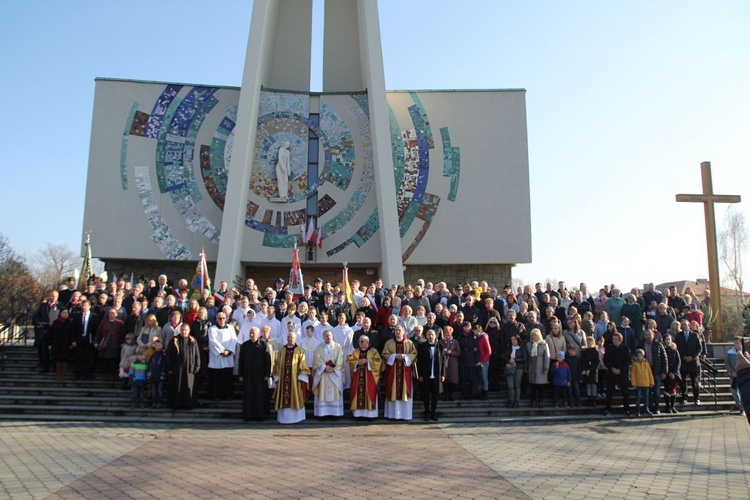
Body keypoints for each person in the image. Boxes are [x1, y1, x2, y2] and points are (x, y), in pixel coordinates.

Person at [273, 331, 311, 424]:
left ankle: (296, 418)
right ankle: (283, 418)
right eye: (289, 337)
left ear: (295, 339)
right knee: (283, 396)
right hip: (283, 380)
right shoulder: (282, 351)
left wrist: (301, 378)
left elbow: (303, 365)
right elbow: (277, 364)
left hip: (295, 381)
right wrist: (277, 377)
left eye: (292, 337)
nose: (290, 339)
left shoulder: (299, 351)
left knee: (295, 397)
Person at [382, 325, 418, 420]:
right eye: (396, 330)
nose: (398, 332)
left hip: (405, 372)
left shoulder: (409, 343)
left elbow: (414, 353)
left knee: (404, 391)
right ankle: (392, 415)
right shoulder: (389, 343)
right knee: (392, 390)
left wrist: (405, 357)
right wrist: (394, 356)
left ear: (403, 331)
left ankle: (405, 415)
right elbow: (384, 354)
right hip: (392, 372)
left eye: (399, 330)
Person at [238, 327, 272, 420]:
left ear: (258, 334)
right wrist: (240, 374)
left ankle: (260, 415)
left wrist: (267, 374)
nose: (251, 334)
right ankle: (248, 415)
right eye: (250, 333)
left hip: (260, 376)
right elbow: (241, 360)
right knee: (248, 395)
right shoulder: (245, 345)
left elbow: (268, 361)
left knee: (260, 395)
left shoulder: (264, 345)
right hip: (248, 375)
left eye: (253, 333)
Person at [165, 323, 201, 409]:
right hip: (177, 368)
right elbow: (168, 355)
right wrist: (169, 367)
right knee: (177, 385)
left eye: (186, 330)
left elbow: (197, 355)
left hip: (190, 367)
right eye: (182, 330)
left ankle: (188, 404)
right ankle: (177, 404)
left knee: (189, 386)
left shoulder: (193, 341)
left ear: (189, 331)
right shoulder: (174, 340)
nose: (184, 332)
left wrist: (197, 366)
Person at [312, 330, 345, 418]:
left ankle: (335, 414)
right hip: (323, 374)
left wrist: (334, 369)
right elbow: (316, 359)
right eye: (326, 336)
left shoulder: (338, 347)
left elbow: (340, 359)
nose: (328, 337)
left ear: (332, 336)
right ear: (323, 337)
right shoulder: (319, 347)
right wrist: (324, 367)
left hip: (334, 374)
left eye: (330, 335)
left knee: (335, 393)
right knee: (322, 392)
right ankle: (322, 414)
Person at [349, 335, 382, 419]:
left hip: (370, 378)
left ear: (367, 342)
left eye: (362, 341)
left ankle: (370, 415)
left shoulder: (373, 351)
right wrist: (357, 362)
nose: (360, 343)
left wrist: (368, 361)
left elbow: (378, 362)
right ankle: (357, 414)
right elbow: (350, 361)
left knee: (370, 392)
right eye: (359, 342)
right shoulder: (356, 352)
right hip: (358, 378)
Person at [207, 312, 237, 400]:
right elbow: (213, 341)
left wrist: (229, 351)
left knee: (227, 378)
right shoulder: (212, 329)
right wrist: (222, 351)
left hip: (228, 356)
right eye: (220, 318)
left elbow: (234, 339)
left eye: (223, 318)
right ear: (216, 319)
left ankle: (228, 395)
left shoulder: (231, 328)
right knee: (217, 378)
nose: (222, 320)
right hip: (217, 357)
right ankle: (216, 395)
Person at [417, 329, 445, 421]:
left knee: (435, 396)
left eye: (432, 334)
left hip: (436, 375)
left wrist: (443, 374)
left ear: (435, 336)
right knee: (426, 395)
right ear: (426, 336)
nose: (431, 336)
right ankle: (427, 412)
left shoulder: (440, 346)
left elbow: (443, 362)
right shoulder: (422, 346)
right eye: (429, 335)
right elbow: (419, 362)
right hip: (426, 375)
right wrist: (420, 375)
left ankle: (433, 413)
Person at [675, 319, 702, 406]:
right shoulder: (678, 336)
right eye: (682, 325)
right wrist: (683, 357)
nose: (684, 326)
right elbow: (677, 348)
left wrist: (692, 357)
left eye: (685, 324)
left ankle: (696, 398)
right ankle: (684, 397)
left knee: (695, 381)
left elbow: (699, 348)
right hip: (683, 362)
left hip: (693, 362)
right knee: (683, 382)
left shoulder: (694, 335)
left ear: (689, 325)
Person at [604, 332, 631, 417]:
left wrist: (620, 369)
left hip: (622, 372)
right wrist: (612, 368)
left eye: (616, 339)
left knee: (625, 392)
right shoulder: (609, 348)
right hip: (612, 372)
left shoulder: (626, 349)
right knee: (609, 392)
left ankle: (627, 409)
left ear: (620, 340)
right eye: (613, 339)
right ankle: (607, 409)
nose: (614, 341)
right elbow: (606, 360)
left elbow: (628, 361)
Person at [71, 299, 99, 380]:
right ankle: (78, 374)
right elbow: (73, 329)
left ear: (89, 306)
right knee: (78, 357)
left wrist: (95, 340)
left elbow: (96, 330)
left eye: (85, 305)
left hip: (89, 340)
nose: (83, 307)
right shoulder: (77, 316)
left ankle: (87, 374)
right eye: (82, 305)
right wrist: (73, 340)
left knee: (88, 357)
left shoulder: (94, 316)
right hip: (79, 339)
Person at [94, 308, 124, 381]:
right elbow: (98, 332)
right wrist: (95, 342)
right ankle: (104, 374)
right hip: (105, 343)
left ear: (116, 314)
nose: (111, 314)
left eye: (113, 313)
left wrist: (122, 342)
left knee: (113, 360)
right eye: (110, 313)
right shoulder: (104, 322)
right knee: (104, 360)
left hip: (114, 344)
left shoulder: (120, 323)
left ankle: (112, 374)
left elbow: (122, 334)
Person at [526, 328, 550, 408]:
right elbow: (527, 357)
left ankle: (540, 401)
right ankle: (533, 401)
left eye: (535, 335)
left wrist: (546, 368)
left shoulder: (544, 344)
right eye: (532, 335)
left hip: (541, 368)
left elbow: (547, 357)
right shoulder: (529, 344)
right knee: (533, 386)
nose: (534, 337)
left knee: (541, 386)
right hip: (532, 368)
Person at [48, 308, 73, 381]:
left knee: (65, 360)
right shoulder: (56, 322)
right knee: (57, 359)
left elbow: (72, 333)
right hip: (57, 344)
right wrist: (50, 344)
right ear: (60, 314)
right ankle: (58, 374)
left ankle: (63, 375)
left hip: (66, 344)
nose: (65, 314)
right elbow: (51, 334)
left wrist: (72, 342)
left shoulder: (70, 322)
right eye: (64, 312)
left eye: (66, 313)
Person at [503, 334, 526, 408]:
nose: (513, 341)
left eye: (514, 339)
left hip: (518, 367)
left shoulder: (522, 348)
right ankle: (511, 400)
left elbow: (524, 358)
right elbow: (505, 356)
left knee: (517, 385)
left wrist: (516, 360)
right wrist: (509, 361)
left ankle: (517, 401)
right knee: (510, 385)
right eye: (512, 340)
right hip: (510, 367)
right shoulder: (509, 348)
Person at [631, 348, 655, 417]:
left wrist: (651, 382)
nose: (639, 357)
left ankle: (646, 409)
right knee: (638, 398)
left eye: (641, 355)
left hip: (646, 382)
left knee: (646, 397)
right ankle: (637, 410)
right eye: (638, 355)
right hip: (638, 383)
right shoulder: (634, 363)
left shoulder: (646, 363)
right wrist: (633, 383)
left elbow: (649, 373)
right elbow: (632, 374)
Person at [725, 336, 745, 415]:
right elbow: (727, 363)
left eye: (737, 343)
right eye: (734, 343)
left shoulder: (744, 352)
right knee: (734, 391)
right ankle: (740, 406)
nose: (735, 344)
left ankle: (742, 407)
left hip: (743, 375)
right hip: (733, 375)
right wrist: (731, 372)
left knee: (742, 391)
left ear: (741, 343)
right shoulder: (730, 352)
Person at [440, 326, 461, 401]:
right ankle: (445, 394)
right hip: (444, 363)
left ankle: (451, 394)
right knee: (445, 379)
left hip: (453, 363)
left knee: (452, 379)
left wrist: (451, 352)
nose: (447, 336)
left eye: (449, 335)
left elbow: (458, 352)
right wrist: (444, 352)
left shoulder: (455, 342)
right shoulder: (441, 342)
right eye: (446, 334)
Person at [663, 334, 682, 413]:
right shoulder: (663, 349)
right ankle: (667, 407)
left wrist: (674, 372)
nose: (668, 341)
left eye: (669, 339)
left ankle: (673, 406)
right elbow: (663, 361)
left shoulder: (674, 349)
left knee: (673, 389)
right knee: (667, 389)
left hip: (674, 373)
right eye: (666, 339)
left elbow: (678, 361)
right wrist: (667, 371)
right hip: (666, 372)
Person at [147, 338, 165, 409]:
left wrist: (162, 374)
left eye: (159, 345)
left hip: (159, 376)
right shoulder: (153, 356)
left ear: (162, 346)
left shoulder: (163, 356)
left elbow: (164, 366)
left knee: (159, 390)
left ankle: (160, 402)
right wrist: (149, 373)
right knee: (154, 390)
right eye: (156, 345)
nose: (157, 347)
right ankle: (154, 402)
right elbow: (149, 365)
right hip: (153, 376)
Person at [475, 324, 491, 400]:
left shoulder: (484, 337)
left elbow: (489, 351)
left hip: (484, 361)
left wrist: (482, 361)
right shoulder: (477, 337)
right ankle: (480, 392)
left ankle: (485, 393)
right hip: (478, 360)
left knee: (484, 377)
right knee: (480, 378)